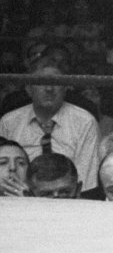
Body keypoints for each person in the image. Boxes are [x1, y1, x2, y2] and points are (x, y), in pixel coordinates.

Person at [0, 62, 102, 193]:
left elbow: (87, 185)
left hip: (69, 202)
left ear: (65, 88)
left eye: (56, 82)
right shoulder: (9, 122)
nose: (49, 88)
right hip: (16, 199)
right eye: (41, 82)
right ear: (29, 89)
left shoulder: (85, 122)